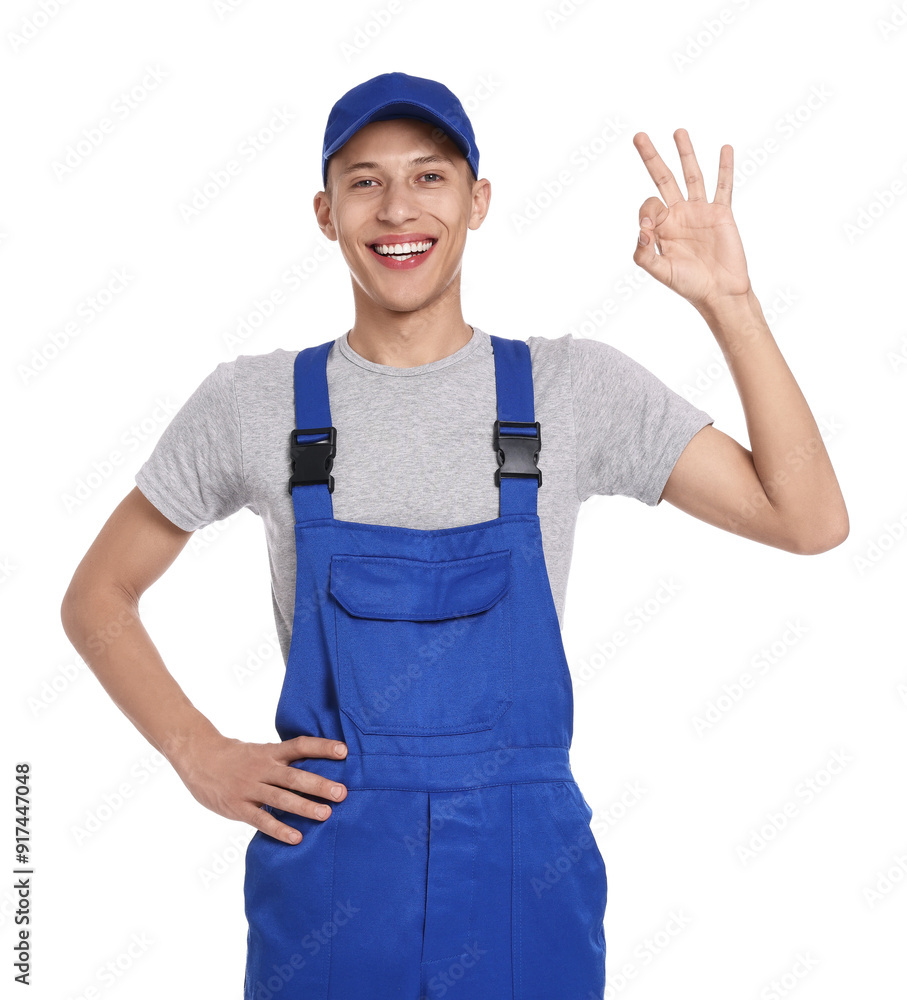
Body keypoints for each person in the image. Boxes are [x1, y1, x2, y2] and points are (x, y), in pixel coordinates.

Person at [60, 71, 849, 999]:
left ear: (477, 201)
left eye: (429, 177)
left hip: (525, 882)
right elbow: (95, 596)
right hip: (330, 886)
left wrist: (729, 303)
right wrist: (196, 752)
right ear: (325, 212)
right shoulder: (252, 403)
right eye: (364, 181)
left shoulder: (572, 390)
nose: (398, 208)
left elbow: (809, 519)